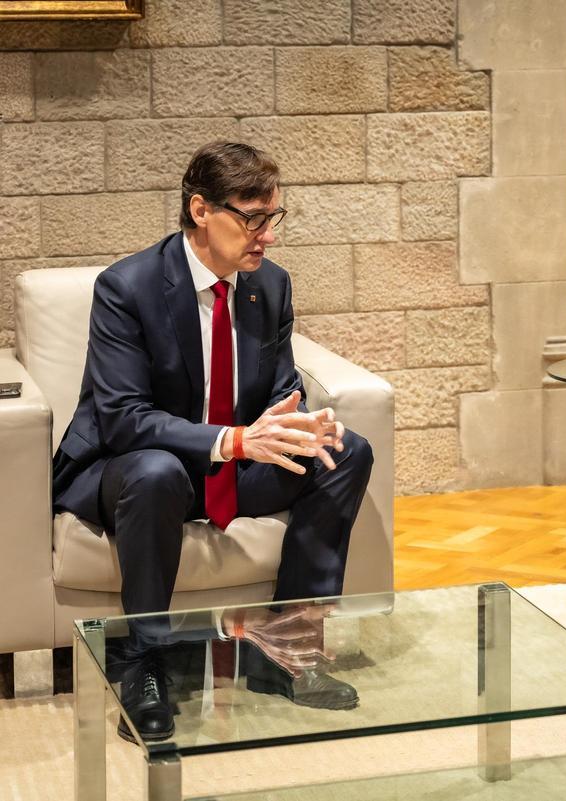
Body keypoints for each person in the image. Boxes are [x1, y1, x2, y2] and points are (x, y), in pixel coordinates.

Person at [52, 141, 374, 742]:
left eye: (272, 218)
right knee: (156, 472)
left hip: (227, 470)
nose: (266, 235)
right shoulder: (128, 287)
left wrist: (299, 426)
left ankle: (287, 648)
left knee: (345, 451)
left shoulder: (269, 286)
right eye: (251, 218)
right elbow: (122, 419)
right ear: (201, 211)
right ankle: (145, 664)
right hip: (130, 472)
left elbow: (278, 393)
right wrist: (232, 441)